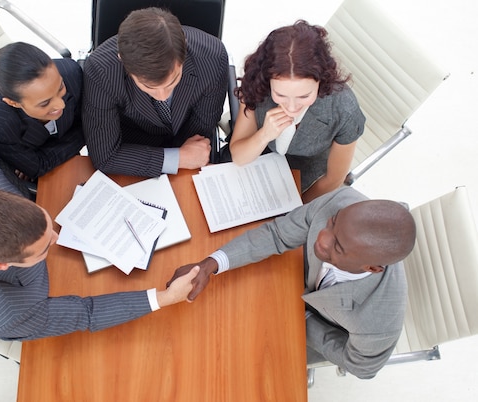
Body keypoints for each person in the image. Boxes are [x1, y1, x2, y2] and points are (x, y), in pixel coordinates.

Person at [0, 144, 199, 341]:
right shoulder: (11, 316)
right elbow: (86, 312)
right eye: (44, 248)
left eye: (48, 225)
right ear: (0, 265)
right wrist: (164, 298)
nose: (57, 237)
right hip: (12, 299)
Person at [167, 186, 416, 379]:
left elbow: (361, 367)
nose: (321, 238)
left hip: (315, 327)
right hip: (291, 284)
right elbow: (278, 235)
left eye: (337, 246)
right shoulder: (342, 201)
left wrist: (300, 320)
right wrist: (211, 264)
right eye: (332, 223)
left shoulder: (378, 323)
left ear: (371, 268)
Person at [226, 20, 366, 203]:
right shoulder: (256, 84)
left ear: (321, 80)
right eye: (280, 94)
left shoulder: (344, 109)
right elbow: (239, 156)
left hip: (307, 175)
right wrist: (264, 134)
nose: (291, 107)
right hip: (258, 160)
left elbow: (333, 180)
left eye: (304, 96)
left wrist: (294, 210)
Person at [82, 7, 229, 177]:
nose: (163, 96)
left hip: (189, 146)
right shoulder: (100, 70)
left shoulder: (213, 58)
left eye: (172, 81)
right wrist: (178, 159)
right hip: (134, 149)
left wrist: (185, 156)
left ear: (184, 51)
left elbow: (199, 132)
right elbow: (105, 156)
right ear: (122, 60)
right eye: (149, 87)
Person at [0, 42, 85, 182]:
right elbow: (38, 167)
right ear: (13, 103)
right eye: (45, 103)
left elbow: (88, 122)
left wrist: (38, 156)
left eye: (60, 87)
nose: (60, 104)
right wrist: (85, 132)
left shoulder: (72, 73)